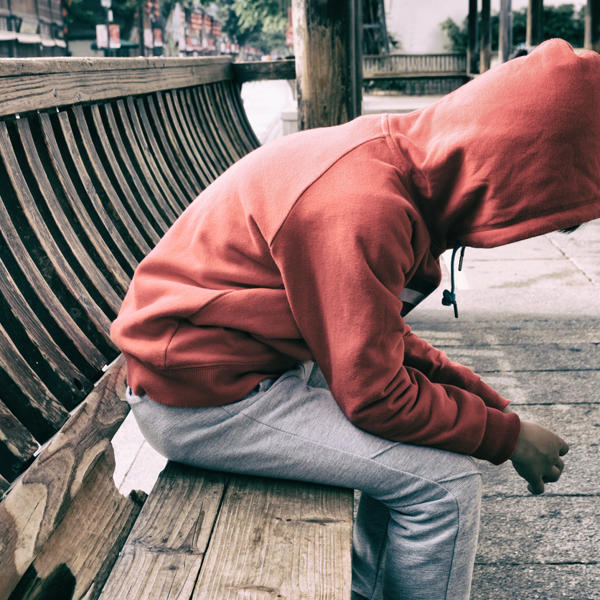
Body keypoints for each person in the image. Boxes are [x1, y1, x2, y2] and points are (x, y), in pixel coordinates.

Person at [111, 39, 600, 600]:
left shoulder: (390, 162)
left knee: (428, 452)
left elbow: (376, 340)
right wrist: (506, 437)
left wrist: (484, 403)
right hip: (202, 401)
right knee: (446, 488)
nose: (535, 230)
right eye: (548, 214)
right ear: (517, 171)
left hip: (226, 369)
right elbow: (376, 397)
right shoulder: (362, 209)